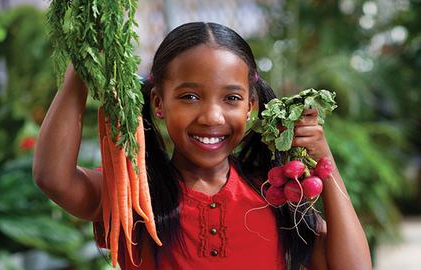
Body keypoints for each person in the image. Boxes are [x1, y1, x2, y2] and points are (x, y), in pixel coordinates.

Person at [33, 22, 372, 269]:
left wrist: (324, 164)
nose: (212, 116)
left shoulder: (273, 193)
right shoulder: (135, 196)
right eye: (190, 96)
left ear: (251, 107)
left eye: (231, 98)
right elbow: (54, 179)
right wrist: (80, 69)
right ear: (158, 102)